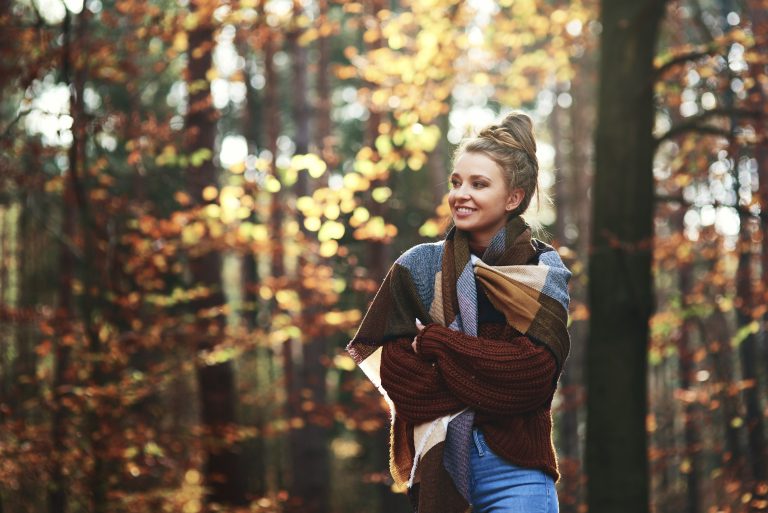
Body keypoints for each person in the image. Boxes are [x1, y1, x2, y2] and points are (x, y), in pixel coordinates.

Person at [347, 112, 571, 513]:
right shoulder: (418, 267)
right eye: (456, 182)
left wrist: (438, 343)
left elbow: (533, 376)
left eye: (478, 184)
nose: (460, 194)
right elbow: (394, 372)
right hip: (441, 469)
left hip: (518, 473)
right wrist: (489, 376)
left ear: (513, 198)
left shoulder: (542, 271)